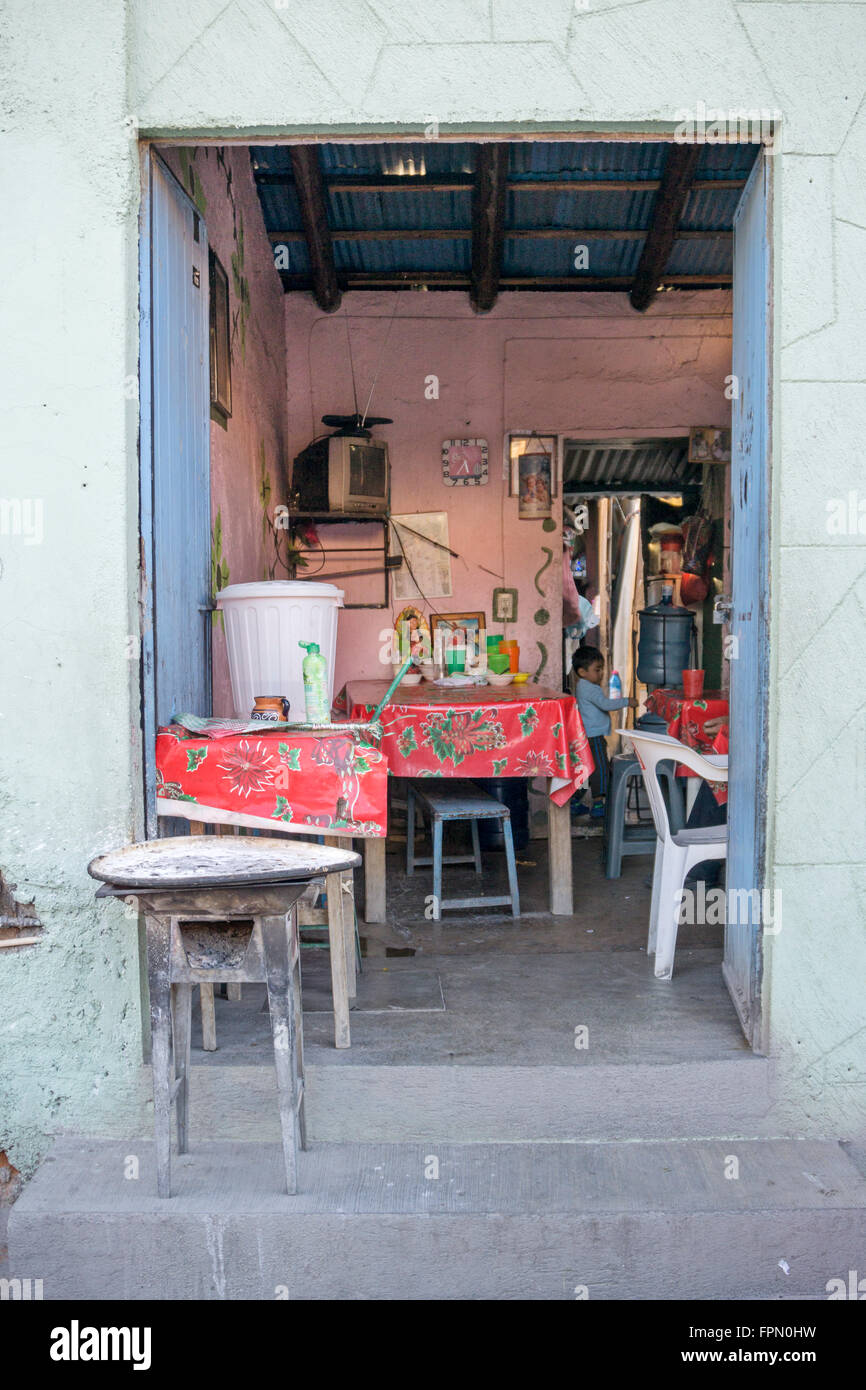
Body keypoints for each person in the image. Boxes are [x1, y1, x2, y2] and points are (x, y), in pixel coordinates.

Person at [573, 646, 637, 818]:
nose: (601, 673)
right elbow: (605, 704)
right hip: (593, 736)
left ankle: (575, 800)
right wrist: (627, 701)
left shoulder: (583, 686)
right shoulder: (589, 688)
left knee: (586, 769)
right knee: (600, 768)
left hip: (588, 734)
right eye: (597, 669)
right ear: (582, 671)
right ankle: (599, 803)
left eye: (601, 669)